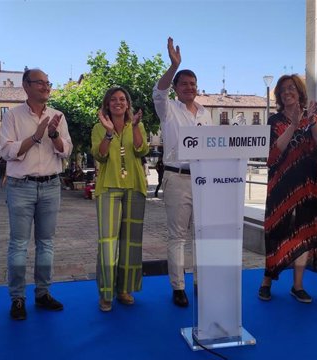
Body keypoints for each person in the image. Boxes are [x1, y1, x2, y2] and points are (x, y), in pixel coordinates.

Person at [0, 68, 73, 320]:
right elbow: (7, 152)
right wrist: (36, 135)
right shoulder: (12, 116)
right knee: (19, 244)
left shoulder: (58, 116)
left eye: (48, 83)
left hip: (51, 185)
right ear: (26, 86)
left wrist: (52, 135)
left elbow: (66, 151)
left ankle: (43, 294)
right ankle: (17, 298)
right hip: (21, 186)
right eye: (40, 83)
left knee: (46, 243)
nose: (45, 87)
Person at [259, 74, 317, 303]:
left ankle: (298, 285)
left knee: (304, 233)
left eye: (291, 88)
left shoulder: (314, 117)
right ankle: (267, 280)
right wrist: (293, 125)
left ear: (299, 91)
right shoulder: (274, 121)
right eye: (282, 90)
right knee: (276, 231)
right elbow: (272, 154)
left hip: (308, 186)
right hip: (282, 187)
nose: (287, 92)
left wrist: (311, 122)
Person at [153, 37, 212, 307]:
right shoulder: (168, 110)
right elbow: (158, 92)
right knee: (177, 235)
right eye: (183, 83)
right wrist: (173, 66)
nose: (189, 87)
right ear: (176, 88)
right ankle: (178, 286)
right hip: (177, 178)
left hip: (203, 179)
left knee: (202, 233)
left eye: (192, 84)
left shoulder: (205, 114)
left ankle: (202, 281)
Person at [91, 87, 149, 312]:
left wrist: (134, 127)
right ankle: (106, 293)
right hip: (108, 188)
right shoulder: (98, 127)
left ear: (127, 104)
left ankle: (124, 289)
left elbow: (141, 150)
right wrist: (107, 133)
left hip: (134, 186)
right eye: (113, 99)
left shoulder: (138, 125)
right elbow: (100, 155)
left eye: (122, 99)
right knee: (107, 243)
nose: (118, 102)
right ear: (107, 104)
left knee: (130, 243)